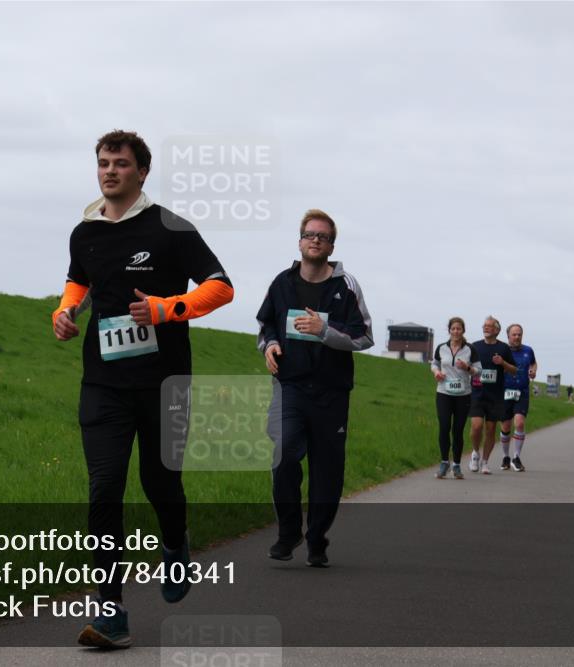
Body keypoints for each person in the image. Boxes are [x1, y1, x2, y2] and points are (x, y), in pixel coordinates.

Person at [53, 130, 233, 649]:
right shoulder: (84, 231)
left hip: (164, 383)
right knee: (105, 487)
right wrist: (65, 311)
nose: (109, 171)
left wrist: (166, 308)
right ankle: (110, 611)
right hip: (104, 383)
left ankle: (175, 545)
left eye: (120, 163)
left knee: (161, 484)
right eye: (103, 163)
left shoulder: (171, 228)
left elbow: (221, 287)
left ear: (142, 172)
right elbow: (79, 281)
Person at [257, 209, 373, 566]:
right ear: (300, 241)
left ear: (331, 246)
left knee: (327, 472)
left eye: (323, 236)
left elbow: (364, 336)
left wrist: (324, 332)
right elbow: (266, 325)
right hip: (290, 387)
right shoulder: (281, 283)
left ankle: (317, 538)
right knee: (284, 453)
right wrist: (269, 346)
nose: (315, 240)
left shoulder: (346, 286)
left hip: (331, 392)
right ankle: (288, 531)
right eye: (310, 234)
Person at [430, 317, 480, 480]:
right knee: (444, 427)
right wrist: (437, 372)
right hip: (443, 393)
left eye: (459, 329)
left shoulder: (470, 349)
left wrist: (467, 367)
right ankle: (444, 462)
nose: (456, 331)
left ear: (463, 330)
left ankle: (457, 465)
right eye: (453, 329)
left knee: (457, 431)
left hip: (463, 395)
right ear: (449, 330)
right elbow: (434, 364)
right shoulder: (441, 348)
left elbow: (479, 371)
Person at [467, 316, 517, 474]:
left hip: (495, 396)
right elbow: (466, 366)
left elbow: (514, 370)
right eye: (484, 325)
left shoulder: (504, 348)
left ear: (497, 330)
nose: (486, 328)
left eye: (489, 326)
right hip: (477, 393)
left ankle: (485, 462)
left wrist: (502, 363)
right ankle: (475, 453)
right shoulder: (474, 346)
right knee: (476, 426)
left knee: (490, 429)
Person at [499, 324, 537, 472]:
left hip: (522, 391)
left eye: (519, 334)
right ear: (508, 336)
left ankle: (516, 457)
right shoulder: (502, 350)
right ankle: (505, 457)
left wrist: (533, 370)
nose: (517, 337)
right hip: (504, 392)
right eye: (514, 334)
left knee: (519, 423)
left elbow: (533, 363)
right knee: (505, 426)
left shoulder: (528, 350)